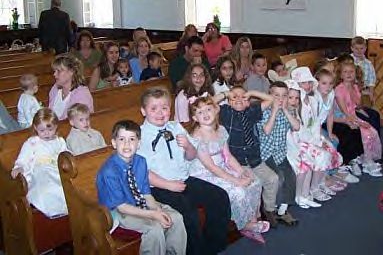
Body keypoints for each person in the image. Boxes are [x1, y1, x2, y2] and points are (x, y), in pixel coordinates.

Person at [138, 88, 231, 255]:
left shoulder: (175, 127)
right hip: (159, 186)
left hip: (184, 179)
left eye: (165, 108)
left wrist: (188, 146)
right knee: (189, 213)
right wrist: (168, 185)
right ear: (143, 111)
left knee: (219, 197)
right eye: (154, 109)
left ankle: (213, 247)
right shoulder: (139, 136)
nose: (160, 113)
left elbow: (191, 156)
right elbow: (142, 173)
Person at [97, 120, 187, 255]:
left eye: (132, 139)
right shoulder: (109, 171)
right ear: (114, 143)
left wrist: (158, 210)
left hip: (139, 203)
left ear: (139, 144)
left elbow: (146, 194)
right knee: (154, 228)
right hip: (117, 213)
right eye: (122, 139)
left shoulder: (140, 162)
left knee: (176, 218)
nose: (127, 144)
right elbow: (121, 207)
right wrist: (153, 214)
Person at [188, 96, 269, 244]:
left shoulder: (221, 129)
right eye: (200, 112)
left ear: (215, 110)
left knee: (254, 181)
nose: (205, 114)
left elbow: (228, 156)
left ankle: (252, 219)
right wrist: (235, 180)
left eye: (208, 109)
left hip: (221, 166)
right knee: (237, 190)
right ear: (195, 118)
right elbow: (210, 166)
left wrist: (240, 171)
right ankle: (244, 224)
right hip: (204, 174)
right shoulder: (197, 137)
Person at [214, 86, 280, 228]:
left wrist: (251, 93)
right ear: (229, 101)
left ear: (248, 102)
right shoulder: (225, 112)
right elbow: (210, 104)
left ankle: (268, 210)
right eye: (235, 97)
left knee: (273, 179)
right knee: (253, 182)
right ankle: (251, 218)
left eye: (243, 97)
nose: (239, 99)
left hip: (254, 159)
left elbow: (270, 99)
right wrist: (226, 94)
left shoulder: (252, 111)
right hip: (238, 162)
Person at [286, 68, 343, 209]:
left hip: (311, 138)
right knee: (321, 155)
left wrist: (319, 140)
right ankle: (312, 189)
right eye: (304, 83)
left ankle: (317, 185)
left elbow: (316, 122)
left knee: (329, 150)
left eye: (309, 82)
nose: (308, 86)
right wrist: (315, 143)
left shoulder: (312, 99)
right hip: (299, 142)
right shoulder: (296, 104)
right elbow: (300, 130)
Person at [256, 81, 300, 225]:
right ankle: (271, 209)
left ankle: (283, 210)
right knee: (279, 178)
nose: (281, 99)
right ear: (269, 96)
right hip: (266, 154)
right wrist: (274, 110)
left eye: (284, 96)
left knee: (291, 177)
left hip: (280, 153)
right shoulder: (263, 112)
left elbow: (296, 127)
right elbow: (266, 130)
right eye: (276, 95)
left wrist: (286, 110)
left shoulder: (289, 111)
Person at [11, 108, 68, 217]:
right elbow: (23, 158)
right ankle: (50, 210)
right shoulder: (32, 142)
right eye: (42, 130)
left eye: (50, 129)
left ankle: (63, 211)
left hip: (56, 169)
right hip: (40, 170)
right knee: (47, 186)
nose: (46, 133)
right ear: (36, 128)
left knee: (63, 186)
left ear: (56, 127)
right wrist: (19, 167)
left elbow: (65, 155)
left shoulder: (59, 141)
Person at [335, 61, 383, 177]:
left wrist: (353, 91)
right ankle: (366, 161)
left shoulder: (355, 87)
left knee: (372, 131)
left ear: (355, 74)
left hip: (353, 114)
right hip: (343, 116)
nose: (348, 74)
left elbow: (357, 104)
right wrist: (360, 122)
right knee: (364, 132)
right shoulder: (339, 90)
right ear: (341, 75)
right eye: (345, 72)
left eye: (351, 72)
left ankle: (368, 159)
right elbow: (345, 111)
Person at [314, 69, 359, 188]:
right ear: (316, 83)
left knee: (334, 139)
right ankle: (326, 176)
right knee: (328, 143)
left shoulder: (331, 94)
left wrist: (329, 132)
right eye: (324, 83)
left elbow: (330, 115)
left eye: (330, 83)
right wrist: (321, 137)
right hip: (312, 128)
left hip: (322, 125)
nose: (328, 87)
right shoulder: (314, 97)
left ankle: (333, 171)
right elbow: (312, 122)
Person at [49, 54, 94, 120]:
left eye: (58, 71)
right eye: (54, 71)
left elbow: (79, 123)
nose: (54, 74)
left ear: (71, 71)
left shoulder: (82, 94)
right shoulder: (55, 89)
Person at [351, 36, 376, 105]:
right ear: (352, 48)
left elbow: (372, 80)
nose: (359, 51)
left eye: (361, 48)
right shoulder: (349, 61)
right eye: (356, 48)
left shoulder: (368, 64)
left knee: (367, 110)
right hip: (351, 92)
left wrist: (371, 93)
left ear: (365, 48)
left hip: (365, 92)